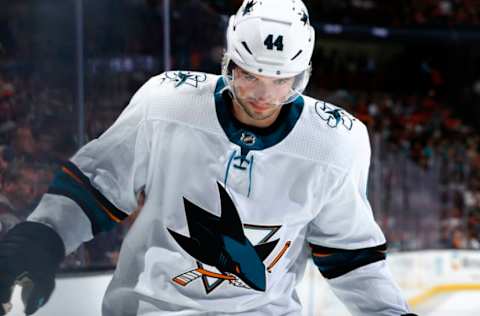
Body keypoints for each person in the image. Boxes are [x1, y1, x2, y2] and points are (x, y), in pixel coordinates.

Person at [0, 0, 417, 315]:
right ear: (228, 61)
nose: (262, 95)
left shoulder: (335, 142)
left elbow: (351, 257)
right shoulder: (167, 103)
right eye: (249, 74)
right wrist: (41, 239)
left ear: (302, 76)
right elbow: (94, 189)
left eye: (280, 81)